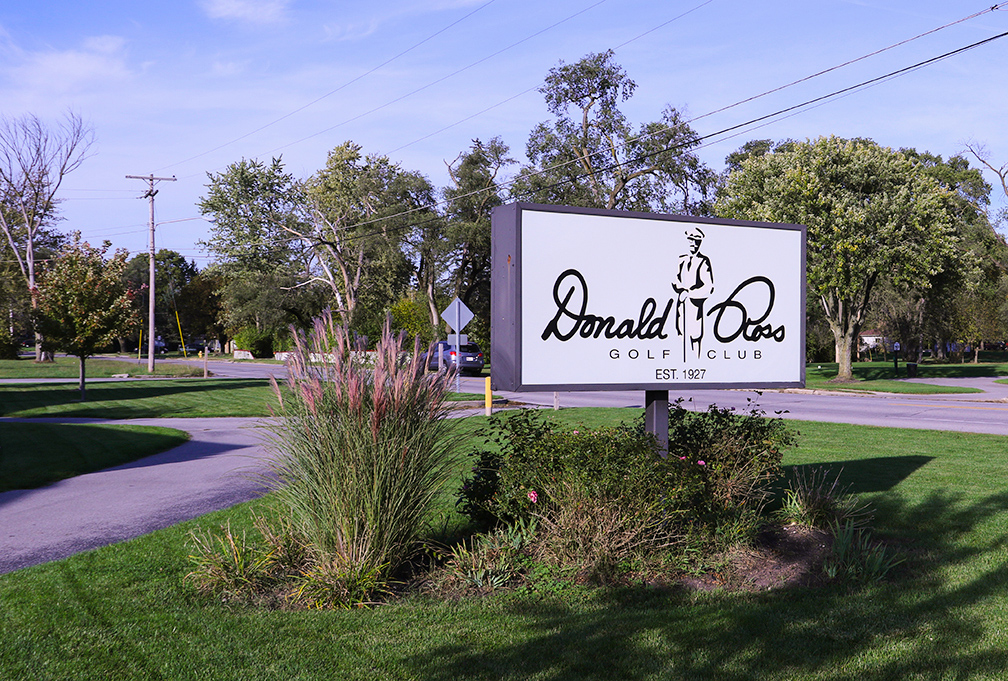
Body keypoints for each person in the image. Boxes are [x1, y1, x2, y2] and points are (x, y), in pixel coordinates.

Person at [672, 226, 715, 359]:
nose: (693, 243)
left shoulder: (703, 261)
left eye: (696, 241)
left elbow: (708, 287)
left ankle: (697, 362)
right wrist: (680, 289)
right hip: (681, 306)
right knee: (681, 334)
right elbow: (674, 279)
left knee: (695, 337)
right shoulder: (681, 259)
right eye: (690, 240)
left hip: (695, 307)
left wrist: (690, 294)